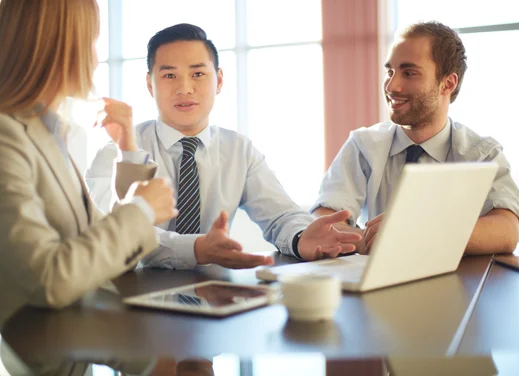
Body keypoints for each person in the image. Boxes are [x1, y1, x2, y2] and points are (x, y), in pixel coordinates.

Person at [0, 0, 175, 374]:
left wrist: (129, 147)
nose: (96, 57)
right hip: (0, 363)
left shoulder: (52, 132)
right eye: (91, 40)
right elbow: (51, 279)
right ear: (56, 44)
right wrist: (140, 210)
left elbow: (106, 257)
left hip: (59, 351)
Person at [86, 23, 361, 269]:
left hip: (212, 294)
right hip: (132, 297)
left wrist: (301, 237)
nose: (184, 88)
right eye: (169, 76)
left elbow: (280, 215)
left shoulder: (239, 150)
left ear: (218, 80)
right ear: (150, 84)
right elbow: (110, 234)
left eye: (197, 74)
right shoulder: (118, 152)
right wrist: (195, 249)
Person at [312, 21, 519, 255]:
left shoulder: (482, 153)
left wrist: (417, 233)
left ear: (448, 83)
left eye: (409, 73)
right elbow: (326, 220)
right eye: (390, 71)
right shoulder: (363, 145)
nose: (392, 85)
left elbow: (506, 231)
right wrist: (371, 240)